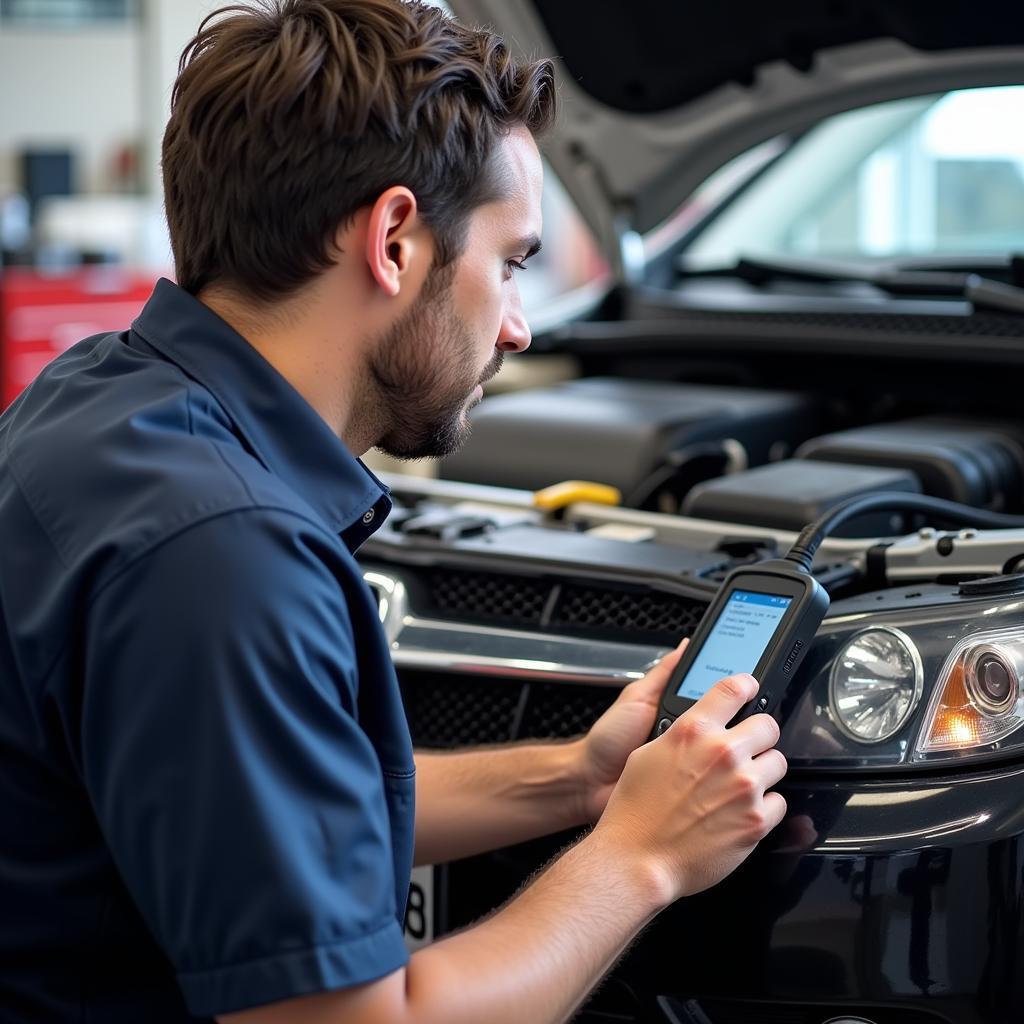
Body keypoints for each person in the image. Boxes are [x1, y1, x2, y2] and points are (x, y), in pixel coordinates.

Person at [0, 2, 788, 1022]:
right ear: (394, 241)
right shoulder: (221, 553)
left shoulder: (97, 400)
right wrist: (639, 858)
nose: (515, 326)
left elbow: (266, 808)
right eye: (510, 263)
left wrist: (580, 779)